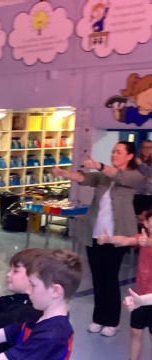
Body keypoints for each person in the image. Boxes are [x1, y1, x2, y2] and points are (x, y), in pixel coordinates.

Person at [53, 141, 144, 337]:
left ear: (129, 156)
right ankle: (99, 318)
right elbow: (83, 178)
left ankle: (112, 321)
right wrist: (63, 173)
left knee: (110, 277)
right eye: (113, 151)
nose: (114, 154)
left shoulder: (134, 176)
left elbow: (119, 175)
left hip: (116, 236)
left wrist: (98, 165)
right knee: (97, 277)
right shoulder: (103, 177)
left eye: (118, 152)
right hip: (95, 235)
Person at [98, 208, 152, 360]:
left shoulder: (146, 240)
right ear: (146, 223)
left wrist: (149, 242)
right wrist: (109, 239)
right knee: (135, 333)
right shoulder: (141, 238)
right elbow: (126, 240)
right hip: (139, 296)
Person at [133, 139, 152, 216]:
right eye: (145, 147)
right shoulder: (134, 161)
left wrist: (141, 164)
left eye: (150, 147)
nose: (147, 150)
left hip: (148, 195)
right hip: (135, 194)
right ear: (141, 148)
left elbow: (149, 173)